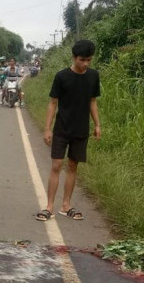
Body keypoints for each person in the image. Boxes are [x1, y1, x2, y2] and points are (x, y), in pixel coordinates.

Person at [37, 40, 101, 222]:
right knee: (56, 165)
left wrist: (97, 124)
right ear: (74, 58)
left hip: (81, 129)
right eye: (82, 60)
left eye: (89, 60)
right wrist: (47, 129)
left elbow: (92, 101)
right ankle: (49, 206)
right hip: (62, 128)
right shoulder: (61, 76)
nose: (86, 64)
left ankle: (66, 205)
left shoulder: (93, 76)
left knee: (73, 166)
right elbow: (52, 103)